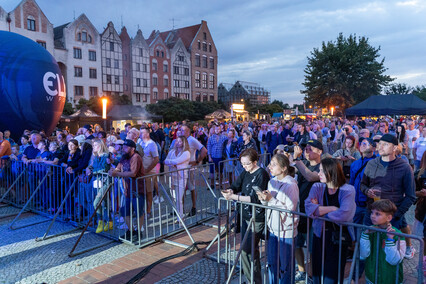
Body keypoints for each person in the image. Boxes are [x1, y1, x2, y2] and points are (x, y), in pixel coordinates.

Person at [361, 134, 416, 259]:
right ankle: (362, 276)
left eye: (385, 144)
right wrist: (367, 191)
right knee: (366, 248)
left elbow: (411, 196)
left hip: (392, 218)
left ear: (395, 148)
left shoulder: (404, 167)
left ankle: (391, 278)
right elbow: (363, 185)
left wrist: (396, 215)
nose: (380, 147)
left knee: (390, 253)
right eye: (379, 144)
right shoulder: (371, 164)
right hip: (371, 214)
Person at [221, 148, 270, 284]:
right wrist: (230, 190)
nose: (244, 166)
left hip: (256, 217)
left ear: (255, 162)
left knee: (246, 251)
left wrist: (233, 196)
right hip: (245, 216)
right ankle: (253, 280)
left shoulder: (262, 174)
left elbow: (255, 198)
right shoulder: (246, 172)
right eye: (242, 163)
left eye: (247, 164)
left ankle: (253, 280)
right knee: (249, 251)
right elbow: (236, 185)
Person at [305, 157, 356, 284]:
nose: (318, 173)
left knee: (331, 277)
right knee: (317, 273)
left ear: (332, 171)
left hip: (338, 239)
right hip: (319, 235)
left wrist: (319, 211)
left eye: (322, 171)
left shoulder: (348, 190)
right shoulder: (317, 187)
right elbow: (308, 208)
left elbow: (345, 214)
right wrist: (333, 208)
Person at [257, 154, 299, 284]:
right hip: (273, 228)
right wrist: (264, 200)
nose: (270, 166)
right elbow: (270, 204)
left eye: (274, 164)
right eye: (270, 163)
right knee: (272, 264)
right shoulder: (271, 182)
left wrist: (271, 200)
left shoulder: (291, 185)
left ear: (284, 168)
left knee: (286, 267)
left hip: (286, 231)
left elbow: (290, 209)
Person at [291, 139, 322, 281]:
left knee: (312, 249)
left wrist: (297, 159)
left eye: (310, 149)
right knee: (297, 244)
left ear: (319, 152)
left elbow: (310, 177)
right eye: (305, 149)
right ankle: (302, 270)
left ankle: (313, 275)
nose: (306, 151)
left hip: (315, 215)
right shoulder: (304, 164)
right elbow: (289, 171)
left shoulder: (323, 167)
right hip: (300, 211)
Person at [360, 199, 406, 284]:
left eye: (377, 214)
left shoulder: (398, 235)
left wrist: (390, 240)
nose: (372, 216)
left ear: (389, 217)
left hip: (390, 278)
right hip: (372, 277)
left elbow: (394, 260)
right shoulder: (369, 231)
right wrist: (365, 235)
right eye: (372, 212)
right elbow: (363, 255)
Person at [109, 139, 145, 240]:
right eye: (123, 147)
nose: (123, 149)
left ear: (132, 148)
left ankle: (138, 232)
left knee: (138, 211)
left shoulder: (136, 157)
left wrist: (117, 173)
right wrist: (113, 171)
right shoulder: (124, 157)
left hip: (137, 188)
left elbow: (133, 173)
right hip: (127, 189)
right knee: (125, 211)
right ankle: (131, 230)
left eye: (126, 147)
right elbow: (118, 168)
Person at [182, 125, 208, 217]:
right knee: (181, 189)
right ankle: (180, 209)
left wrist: (197, 161)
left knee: (191, 187)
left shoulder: (192, 140)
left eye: (183, 130)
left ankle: (194, 207)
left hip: (190, 169)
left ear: (188, 131)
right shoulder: (181, 140)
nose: (181, 132)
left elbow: (204, 150)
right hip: (181, 169)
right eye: (181, 130)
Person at [164, 136, 190, 219]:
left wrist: (173, 163)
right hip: (172, 177)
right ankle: (177, 213)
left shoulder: (186, 153)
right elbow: (165, 161)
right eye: (177, 141)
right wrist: (174, 163)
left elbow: (177, 161)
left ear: (184, 143)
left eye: (180, 141)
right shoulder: (172, 151)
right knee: (174, 198)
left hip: (181, 177)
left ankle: (180, 217)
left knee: (179, 199)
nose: (177, 143)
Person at [139, 127, 159, 216]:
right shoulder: (140, 142)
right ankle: (141, 209)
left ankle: (148, 210)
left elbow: (156, 159)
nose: (140, 134)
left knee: (149, 191)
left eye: (142, 133)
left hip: (149, 172)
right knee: (141, 191)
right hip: (140, 172)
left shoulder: (152, 144)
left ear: (147, 134)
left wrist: (147, 170)